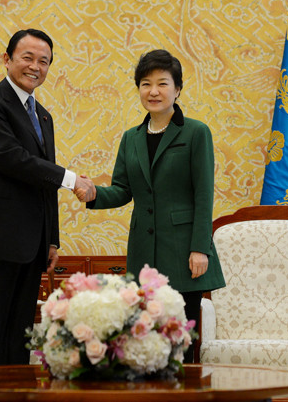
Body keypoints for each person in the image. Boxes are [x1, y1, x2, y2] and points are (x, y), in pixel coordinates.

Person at [76, 49, 225, 362]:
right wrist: (94, 195)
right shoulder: (131, 138)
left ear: (177, 89)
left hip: (183, 252)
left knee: (181, 340)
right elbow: (122, 190)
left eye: (162, 83)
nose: (153, 91)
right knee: (146, 338)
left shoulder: (196, 132)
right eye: (146, 84)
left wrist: (200, 248)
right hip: (143, 251)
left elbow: (203, 195)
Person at [0, 28, 95, 366]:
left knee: (19, 330)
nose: (36, 67)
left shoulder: (43, 115)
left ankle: (14, 389)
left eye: (44, 61)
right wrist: (72, 179)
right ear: (7, 59)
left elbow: (42, 181)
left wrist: (51, 239)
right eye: (28, 58)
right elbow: (12, 159)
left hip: (32, 242)